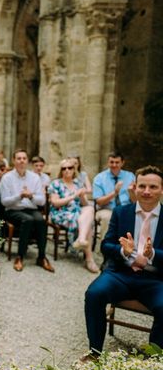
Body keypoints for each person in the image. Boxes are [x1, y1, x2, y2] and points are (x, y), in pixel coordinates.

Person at [84, 165, 163, 355]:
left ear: (162, 189)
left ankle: (153, 360)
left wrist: (152, 254)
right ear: (134, 187)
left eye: (153, 187)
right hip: (120, 273)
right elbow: (105, 245)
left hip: (156, 279)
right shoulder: (121, 212)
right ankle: (94, 353)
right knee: (94, 294)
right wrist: (123, 251)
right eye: (142, 186)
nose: (146, 191)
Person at [0, 149, 53, 272]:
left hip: (30, 207)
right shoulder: (7, 178)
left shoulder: (34, 178)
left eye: (24, 158)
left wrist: (31, 196)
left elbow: (42, 201)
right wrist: (20, 196)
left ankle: (41, 257)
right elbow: (4, 201)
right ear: (13, 161)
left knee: (40, 220)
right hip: (13, 210)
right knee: (27, 220)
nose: (22, 161)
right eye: (19, 158)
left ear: (27, 161)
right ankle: (20, 256)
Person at [48, 159, 98, 273]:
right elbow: (55, 203)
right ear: (60, 170)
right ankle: (89, 259)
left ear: (74, 169)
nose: (67, 170)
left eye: (70, 167)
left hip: (76, 211)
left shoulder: (77, 184)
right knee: (88, 223)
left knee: (89, 208)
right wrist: (72, 196)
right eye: (64, 168)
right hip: (60, 212)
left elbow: (84, 204)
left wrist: (81, 196)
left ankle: (80, 239)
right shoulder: (55, 183)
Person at [93, 152, 136, 242]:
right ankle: (107, 247)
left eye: (117, 162)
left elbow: (135, 201)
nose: (114, 165)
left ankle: (128, 249)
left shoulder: (130, 176)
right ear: (108, 162)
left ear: (122, 163)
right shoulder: (99, 178)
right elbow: (99, 202)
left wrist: (131, 192)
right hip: (107, 209)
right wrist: (115, 193)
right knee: (107, 218)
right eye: (111, 162)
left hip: (126, 209)